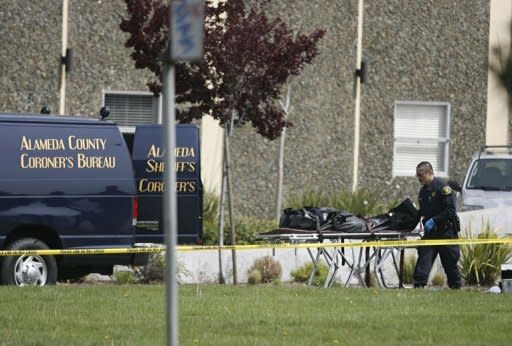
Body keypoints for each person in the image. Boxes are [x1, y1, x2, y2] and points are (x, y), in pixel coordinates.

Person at [413, 161, 461, 289]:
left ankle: (456, 288)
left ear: (429, 173)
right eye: (417, 175)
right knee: (424, 260)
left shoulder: (443, 188)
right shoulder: (423, 192)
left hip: (446, 232)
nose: (419, 178)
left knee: (449, 263)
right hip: (431, 233)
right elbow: (423, 211)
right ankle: (418, 286)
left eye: (421, 175)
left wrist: (435, 220)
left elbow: (450, 210)